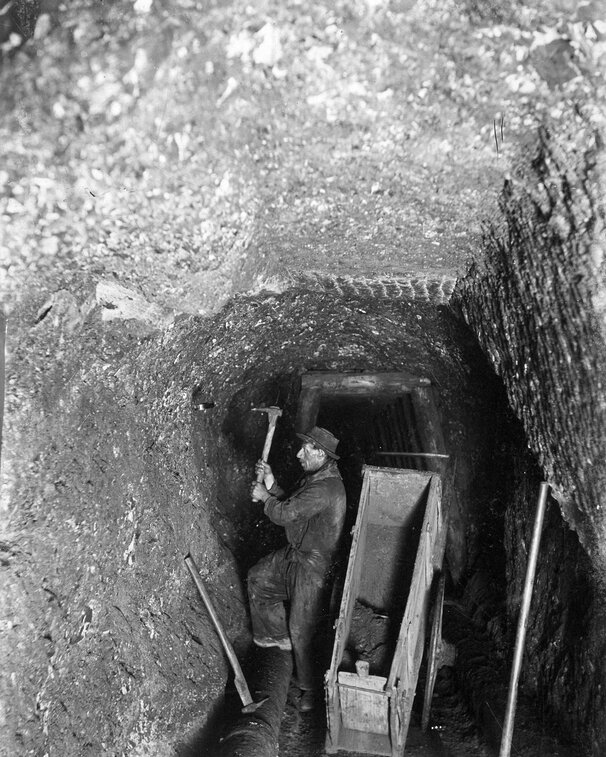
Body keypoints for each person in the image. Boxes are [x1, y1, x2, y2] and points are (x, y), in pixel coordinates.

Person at [248, 426, 346, 712]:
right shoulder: (317, 477)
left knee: (302, 629)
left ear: (321, 453)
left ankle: (310, 689)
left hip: (314, 565)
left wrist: (265, 498)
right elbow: (293, 502)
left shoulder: (326, 487)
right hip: (296, 554)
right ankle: (280, 644)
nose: (298, 453)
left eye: (305, 449)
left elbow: (288, 513)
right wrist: (270, 481)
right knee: (259, 578)